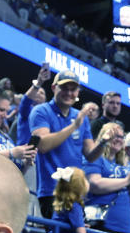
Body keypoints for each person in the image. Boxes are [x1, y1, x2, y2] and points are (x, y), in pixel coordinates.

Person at [30, 70, 98, 218]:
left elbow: (91, 155)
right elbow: (42, 145)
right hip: (52, 191)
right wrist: (74, 126)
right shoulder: (41, 111)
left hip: (76, 192)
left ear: (78, 91)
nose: (69, 93)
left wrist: (104, 141)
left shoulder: (79, 117)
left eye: (73, 89)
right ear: (54, 88)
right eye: (64, 88)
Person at [84, 123, 130, 233]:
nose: (118, 139)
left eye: (121, 137)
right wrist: (127, 180)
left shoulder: (124, 165)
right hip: (102, 226)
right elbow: (95, 185)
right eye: (114, 135)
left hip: (124, 228)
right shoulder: (95, 158)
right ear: (104, 136)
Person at [0, 84, 35, 168]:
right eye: (1, 110)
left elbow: (18, 173)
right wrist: (11, 153)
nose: (5, 116)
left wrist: (26, 162)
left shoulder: (4, 135)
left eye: (6, 111)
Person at [47, 166, 88, 233]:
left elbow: (67, 221)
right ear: (80, 186)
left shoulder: (62, 203)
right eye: (84, 179)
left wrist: (80, 224)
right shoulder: (74, 206)